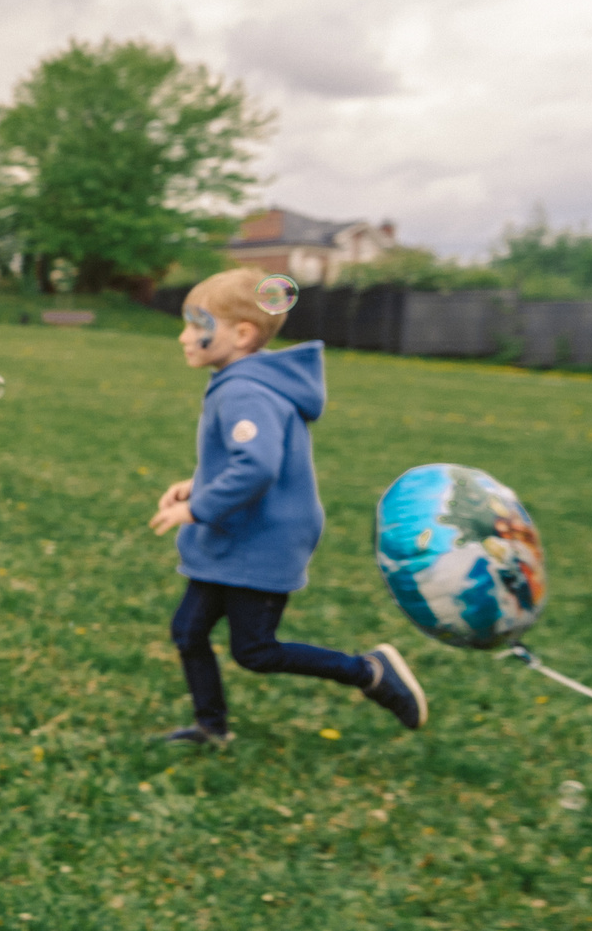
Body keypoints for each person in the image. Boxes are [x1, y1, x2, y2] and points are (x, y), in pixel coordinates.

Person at [146, 267, 424, 744]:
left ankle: (369, 671)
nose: (183, 337)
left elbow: (256, 467)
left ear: (242, 334)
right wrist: (199, 484)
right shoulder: (244, 382)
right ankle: (211, 728)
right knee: (189, 630)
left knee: (255, 650)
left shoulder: (243, 389)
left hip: (260, 539)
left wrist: (198, 508)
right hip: (240, 532)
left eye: (196, 325)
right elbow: (248, 459)